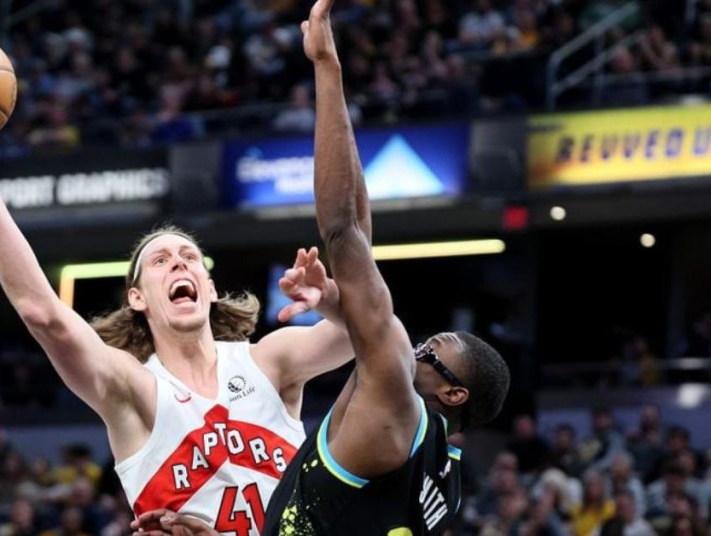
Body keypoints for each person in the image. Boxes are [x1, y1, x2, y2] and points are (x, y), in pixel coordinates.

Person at [134, 0, 511, 534]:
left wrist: (326, 68)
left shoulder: (395, 400)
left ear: (452, 394)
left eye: (431, 352)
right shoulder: (442, 477)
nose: (414, 347)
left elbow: (343, 228)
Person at [0, 109, 354, 533]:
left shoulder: (268, 360)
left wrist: (334, 302)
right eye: (160, 260)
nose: (178, 263)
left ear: (211, 288)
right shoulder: (134, 388)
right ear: (137, 298)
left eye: (190, 257)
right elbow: (42, 313)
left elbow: (368, 333)